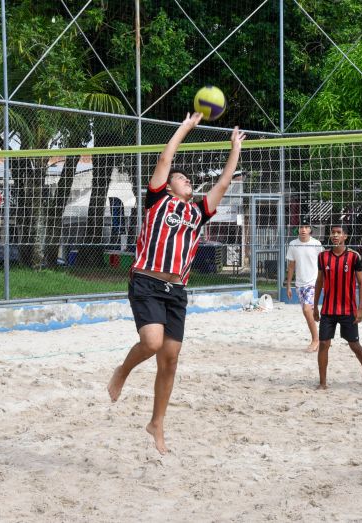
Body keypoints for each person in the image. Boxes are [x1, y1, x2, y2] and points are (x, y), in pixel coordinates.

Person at [107, 113, 246, 454]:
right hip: (147, 280)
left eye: (188, 179)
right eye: (181, 178)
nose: (187, 181)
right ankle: (123, 371)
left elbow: (223, 184)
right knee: (152, 343)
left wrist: (234, 149)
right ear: (169, 186)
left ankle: (157, 423)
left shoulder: (198, 212)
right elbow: (165, 159)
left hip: (176, 291)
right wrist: (186, 127)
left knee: (170, 359)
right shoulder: (158, 200)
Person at [312, 224, 362, 389]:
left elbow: (361, 283)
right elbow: (319, 282)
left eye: (339, 233)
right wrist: (315, 306)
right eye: (333, 233)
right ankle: (322, 383)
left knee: (354, 345)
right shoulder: (323, 256)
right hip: (328, 309)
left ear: (345, 236)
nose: (335, 235)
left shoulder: (353, 256)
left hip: (348, 310)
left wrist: (360, 309)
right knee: (324, 344)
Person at [285, 221, 324, 352]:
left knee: (307, 310)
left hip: (313, 283)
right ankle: (321, 339)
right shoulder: (293, 244)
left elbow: (323, 264)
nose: (303, 229)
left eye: (306, 227)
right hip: (299, 284)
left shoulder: (316, 244)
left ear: (310, 230)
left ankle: (316, 340)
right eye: (301, 227)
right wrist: (288, 285)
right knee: (307, 313)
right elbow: (291, 266)